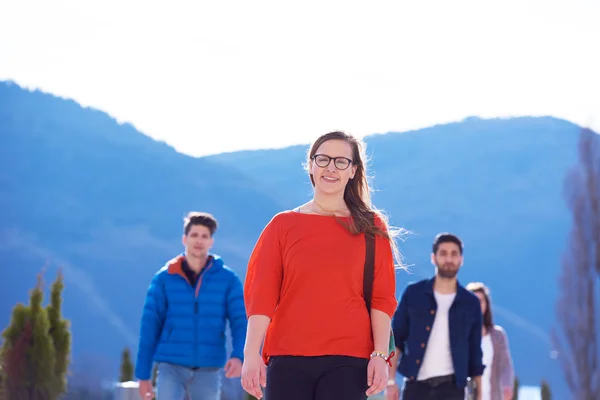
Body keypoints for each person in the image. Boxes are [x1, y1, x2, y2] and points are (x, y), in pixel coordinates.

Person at [240, 131, 403, 400]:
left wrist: (380, 356)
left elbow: (382, 298)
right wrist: (251, 355)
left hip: (349, 357)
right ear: (311, 165)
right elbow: (262, 296)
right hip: (287, 354)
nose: (331, 167)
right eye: (323, 159)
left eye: (341, 161)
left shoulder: (371, 228)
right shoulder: (282, 226)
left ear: (353, 171)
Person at [134, 212, 248, 400]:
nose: (199, 241)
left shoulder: (228, 280)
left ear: (211, 242)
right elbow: (149, 326)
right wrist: (143, 375)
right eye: (194, 235)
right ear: (184, 239)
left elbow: (240, 321)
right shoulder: (164, 278)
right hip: (170, 366)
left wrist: (238, 356)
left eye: (204, 236)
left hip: (209, 368)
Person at [387, 233, 484, 400]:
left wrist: (478, 396)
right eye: (443, 253)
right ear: (434, 258)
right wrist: (390, 381)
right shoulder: (414, 294)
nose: (449, 259)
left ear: (461, 259)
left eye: (454, 254)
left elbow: (475, 353)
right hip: (415, 387)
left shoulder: (471, 303)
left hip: (453, 390)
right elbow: (396, 340)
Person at [466, 282, 515, 400]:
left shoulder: (498, 336)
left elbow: (505, 365)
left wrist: (507, 386)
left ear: (486, 304)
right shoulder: (460, 334)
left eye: (481, 300)